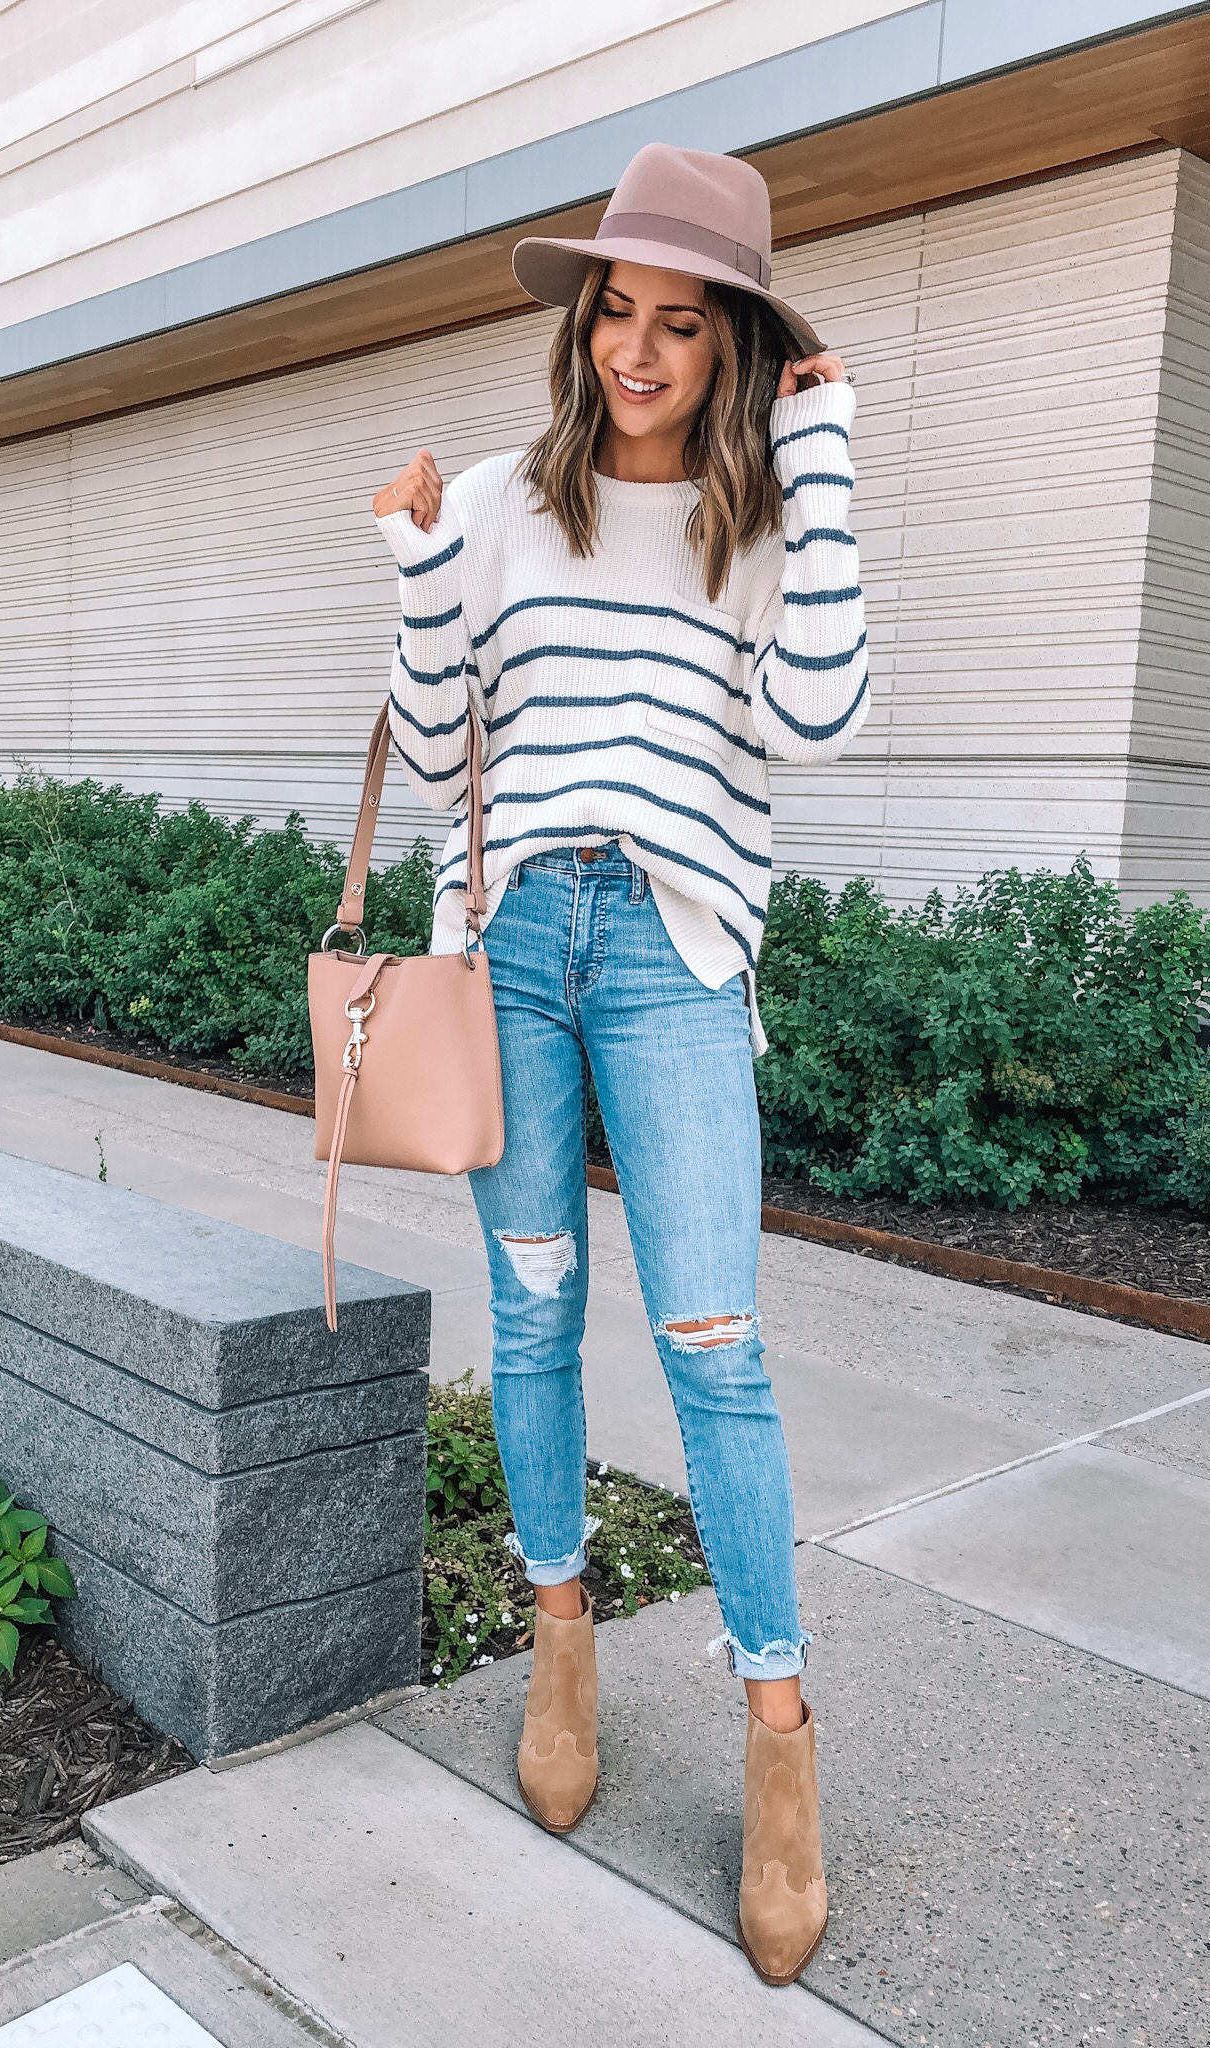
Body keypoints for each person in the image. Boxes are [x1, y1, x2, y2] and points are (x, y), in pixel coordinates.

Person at [370, 141, 867, 1987]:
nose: (636, 351)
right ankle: (561, 1633)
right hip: (510, 943)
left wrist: (821, 467)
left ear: (730, 343)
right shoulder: (505, 498)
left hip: (673, 954)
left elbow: (813, 722)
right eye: (615, 313)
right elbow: (437, 751)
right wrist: (424, 563)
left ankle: (779, 1735)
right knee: (527, 1318)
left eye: (677, 322)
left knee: (714, 1346)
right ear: (580, 323)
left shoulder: (764, 519)